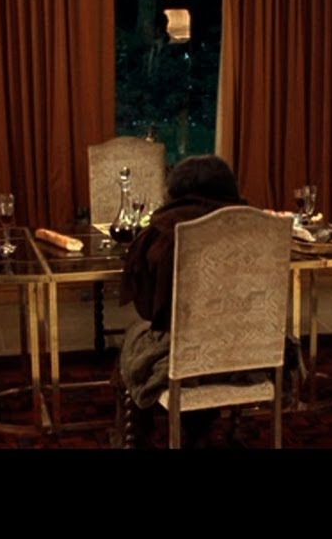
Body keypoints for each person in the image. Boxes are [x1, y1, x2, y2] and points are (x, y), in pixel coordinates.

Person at [117, 154, 247, 448]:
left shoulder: (165, 229)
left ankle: (137, 433)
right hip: (248, 352)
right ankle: (201, 429)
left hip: (185, 355)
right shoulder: (257, 224)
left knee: (137, 337)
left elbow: (149, 310)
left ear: (174, 190)